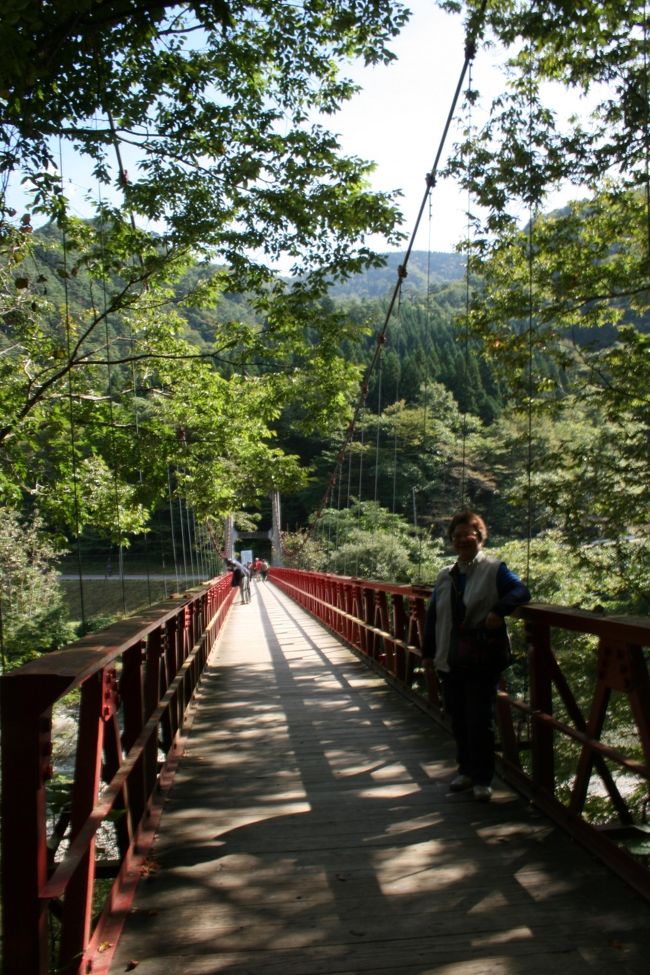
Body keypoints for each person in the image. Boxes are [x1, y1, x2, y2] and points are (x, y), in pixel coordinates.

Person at [422, 510, 530, 802]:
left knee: (480, 718)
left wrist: (498, 611)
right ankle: (466, 770)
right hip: (449, 657)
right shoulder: (445, 574)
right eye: (457, 537)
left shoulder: (495, 569)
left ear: (480, 537)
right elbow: (433, 617)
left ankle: (483, 777)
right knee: (457, 717)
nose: (462, 541)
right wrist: (427, 653)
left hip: (480, 659)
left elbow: (521, 591)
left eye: (468, 535)